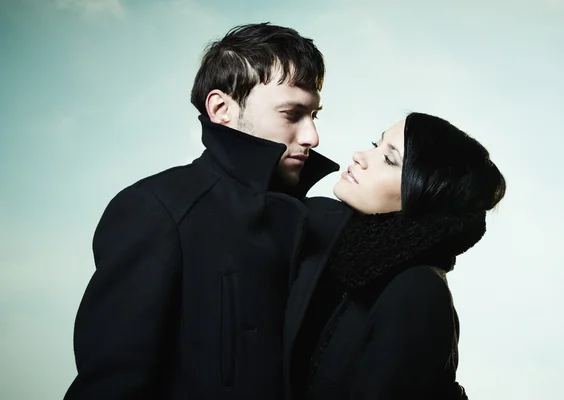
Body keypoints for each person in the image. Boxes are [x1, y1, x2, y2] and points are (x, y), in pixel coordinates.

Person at [64, 22, 338, 400]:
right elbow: (111, 386)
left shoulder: (323, 222)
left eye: (315, 116)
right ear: (221, 109)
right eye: (292, 114)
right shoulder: (157, 209)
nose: (312, 137)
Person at [284, 112, 507, 399]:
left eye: (389, 159)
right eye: (375, 145)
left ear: (422, 197)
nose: (360, 156)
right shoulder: (356, 266)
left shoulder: (418, 291)